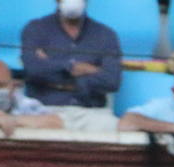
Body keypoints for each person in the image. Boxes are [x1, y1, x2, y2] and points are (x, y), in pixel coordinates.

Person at [19, 0, 121, 131]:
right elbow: (33, 70)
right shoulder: (35, 29)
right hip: (45, 110)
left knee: (120, 132)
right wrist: (72, 67)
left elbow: (112, 81)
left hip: (91, 112)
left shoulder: (106, 35)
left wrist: (52, 69)